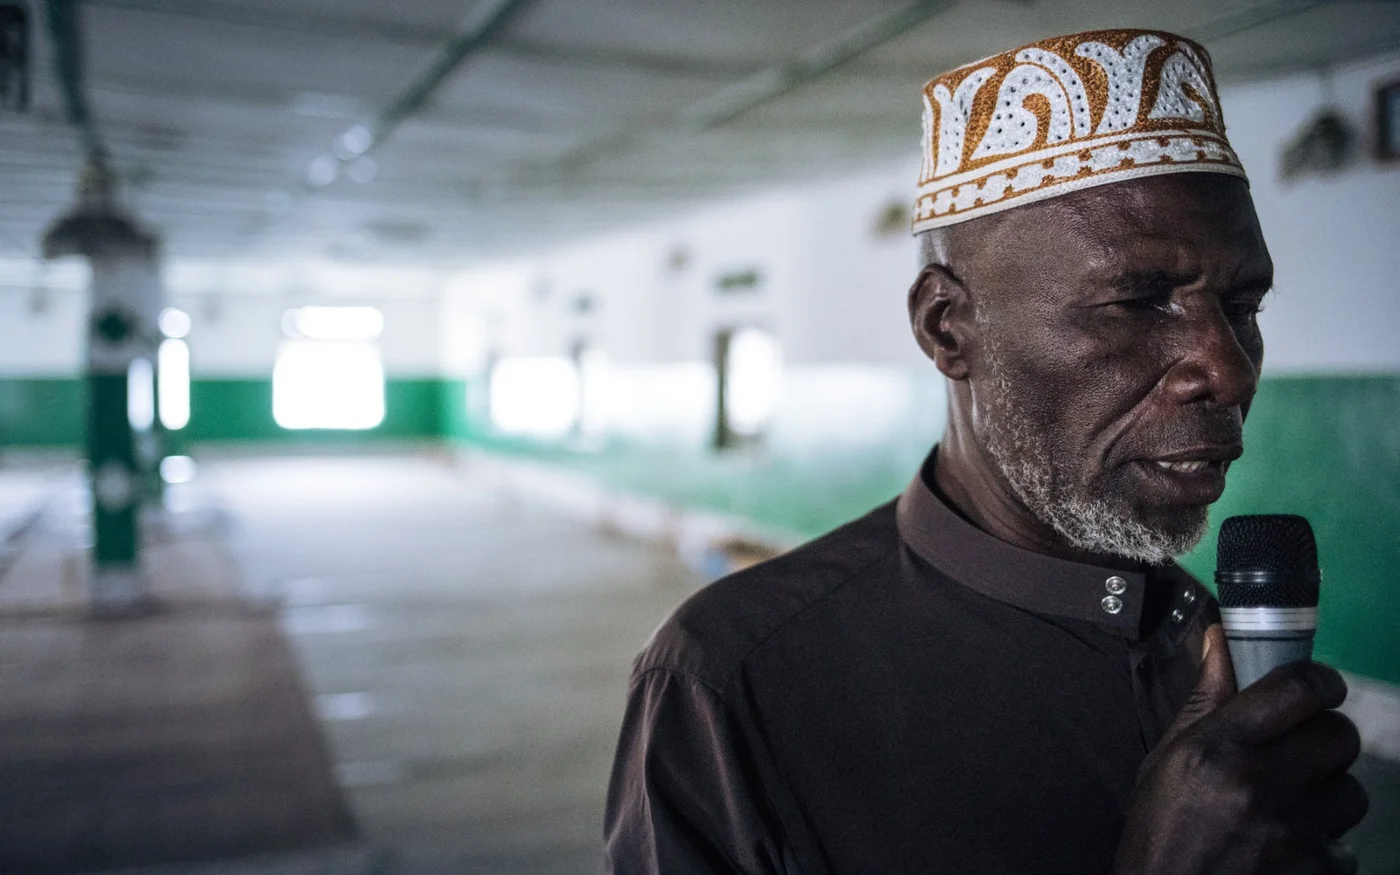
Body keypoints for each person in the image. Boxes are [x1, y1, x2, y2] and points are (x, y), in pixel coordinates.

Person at [603, 28, 1367, 875]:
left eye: (1244, 306)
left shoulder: (1205, 635)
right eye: (1140, 300)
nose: (1226, 369)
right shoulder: (730, 680)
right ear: (947, 327)